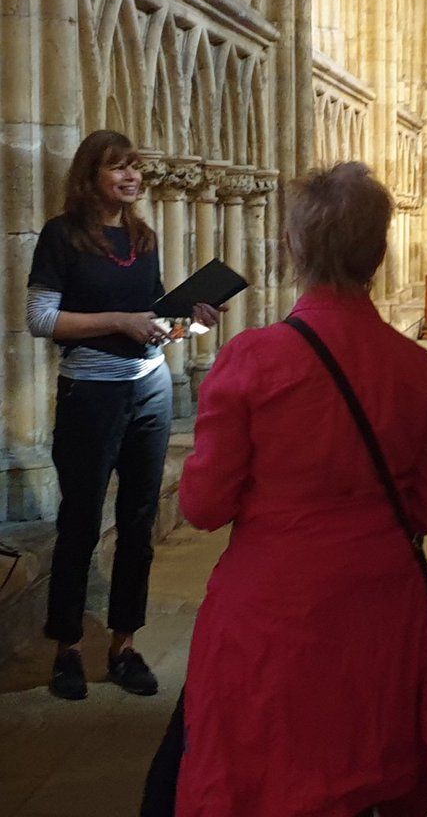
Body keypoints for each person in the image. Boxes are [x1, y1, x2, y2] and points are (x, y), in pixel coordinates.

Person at [172, 162, 427, 817]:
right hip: (379, 608)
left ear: (294, 247)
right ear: (380, 253)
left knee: (263, 781)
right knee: (362, 776)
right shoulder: (412, 366)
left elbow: (203, 505)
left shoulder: (252, 358)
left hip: (272, 612)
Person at [26, 130, 222, 702]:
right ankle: (65, 647)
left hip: (150, 388)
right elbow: (41, 319)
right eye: (118, 169)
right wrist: (118, 320)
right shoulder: (61, 237)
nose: (132, 177)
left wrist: (197, 319)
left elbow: (158, 322)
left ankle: (123, 645)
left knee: (138, 522)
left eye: (135, 167)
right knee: (81, 521)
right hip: (90, 391)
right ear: (91, 177)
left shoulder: (143, 237)